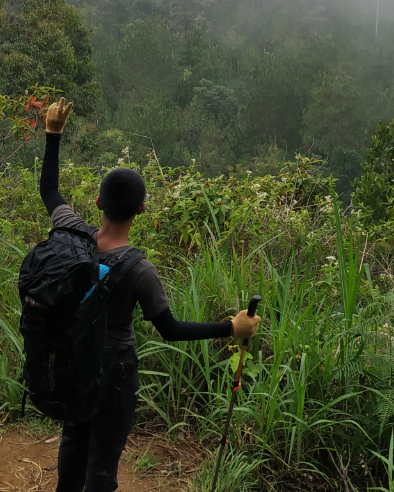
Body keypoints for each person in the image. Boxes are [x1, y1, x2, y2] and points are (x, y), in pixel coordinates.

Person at [39, 97, 261, 492]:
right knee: (102, 466)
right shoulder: (140, 270)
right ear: (142, 209)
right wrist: (231, 327)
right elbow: (170, 329)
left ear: (98, 203)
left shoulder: (74, 235)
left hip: (75, 365)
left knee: (72, 450)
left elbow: (50, 191)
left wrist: (53, 134)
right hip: (115, 376)